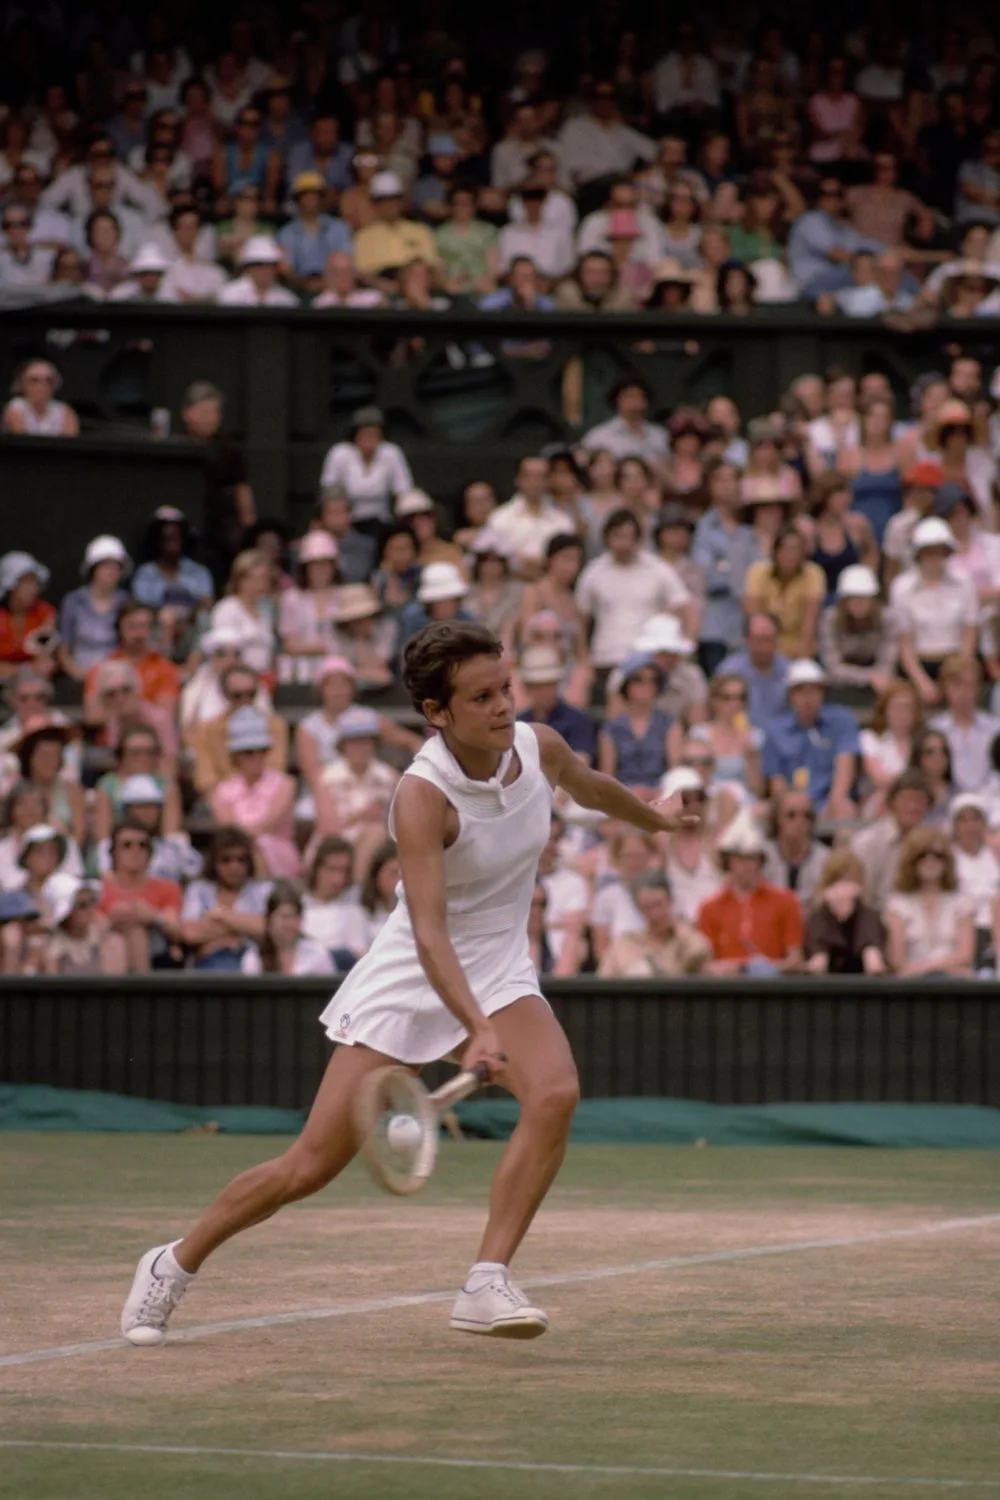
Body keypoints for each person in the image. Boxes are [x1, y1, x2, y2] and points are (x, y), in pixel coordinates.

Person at [121, 619, 698, 1346]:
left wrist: (652, 818)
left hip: (498, 967)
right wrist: (477, 1028)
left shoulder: (538, 746)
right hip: (414, 973)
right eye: (480, 697)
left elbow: (590, 786)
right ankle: (173, 1263)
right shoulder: (422, 796)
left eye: (505, 688)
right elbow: (429, 932)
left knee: (555, 1093)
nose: (503, 706)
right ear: (436, 711)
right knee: (307, 1168)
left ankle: (486, 1280)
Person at [576, 510, 692, 676]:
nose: (622, 542)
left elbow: (684, 606)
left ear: (638, 539)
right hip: (605, 658)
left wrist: (686, 645)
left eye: (627, 536)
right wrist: (584, 658)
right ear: (606, 538)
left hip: (647, 660)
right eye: (616, 535)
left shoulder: (657, 568)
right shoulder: (593, 572)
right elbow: (580, 618)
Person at [697, 810, 805, 976]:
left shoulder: (786, 901)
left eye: (752, 858)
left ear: (760, 861)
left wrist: (765, 969)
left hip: (772, 987)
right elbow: (705, 966)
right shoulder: (709, 907)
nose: (746, 866)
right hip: (726, 987)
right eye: (740, 858)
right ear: (728, 861)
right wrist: (740, 968)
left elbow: (796, 960)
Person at [892, 518, 978, 707]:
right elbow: (905, 642)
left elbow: (969, 632)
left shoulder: (965, 582)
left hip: (956, 661)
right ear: (918, 554)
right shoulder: (901, 588)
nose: (934, 558)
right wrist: (922, 682)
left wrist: (958, 676)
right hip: (919, 664)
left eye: (940, 551)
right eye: (928, 552)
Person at [180, 381, 256, 589]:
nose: (211, 419)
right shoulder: (176, 443)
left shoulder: (229, 449)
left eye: (215, 413)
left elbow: (241, 488)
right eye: (205, 412)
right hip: (185, 524)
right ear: (187, 413)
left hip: (219, 527)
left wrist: (248, 522)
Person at [762, 659, 859, 820]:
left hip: (829, 802)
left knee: (844, 808)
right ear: (790, 696)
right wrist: (794, 807)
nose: (807, 698)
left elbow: (845, 769)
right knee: (759, 812)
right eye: (800, 691)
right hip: (792, 803)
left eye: (813, 691)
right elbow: (777, 782)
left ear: (823, 694)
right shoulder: (776, 730)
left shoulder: (842, 720)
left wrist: (835, 801)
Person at [211, 709, 299, 880]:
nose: (256, 758)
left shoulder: (285, 784)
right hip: (238, 855)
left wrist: (250, 839)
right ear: (236, 756)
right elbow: (229, 830)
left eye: (261, 751)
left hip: (277, 854)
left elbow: (271, 822)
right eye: (248, 752)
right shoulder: (223, 791)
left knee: (261, 844)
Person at [691, 461, 761, 677]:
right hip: (715, 626)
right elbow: (707, 575)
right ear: (710, 485)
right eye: (721, 479)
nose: (728, 485)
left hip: (747, 626)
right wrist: (739, 586)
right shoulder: (703, 528)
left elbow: (759, 571)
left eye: (733, 479)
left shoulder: (749, 531)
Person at [314, 706, 400, 875]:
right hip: (333, 847)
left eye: (366, 741)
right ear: (343, 745)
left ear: (374, 744)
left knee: (376, 832)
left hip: (379, 850)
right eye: (354, 741)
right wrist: (361, 815)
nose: (361, 747)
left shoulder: (389, 777)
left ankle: (360, 886)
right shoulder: (326, 777)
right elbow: (327, 829)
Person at [97, 818, 184, 973]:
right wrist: (111, 919)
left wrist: (153, 916)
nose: (135, 851)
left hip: (157, 954)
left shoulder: (167, 888)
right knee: (122, 937)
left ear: (150, 853)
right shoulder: (98, 889)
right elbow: (87, 933)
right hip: (107, 953)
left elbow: (176, 930)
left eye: (142, 845)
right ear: (114, 852)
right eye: (127, 845)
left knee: (137, 932)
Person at [885, 828, 974, 978]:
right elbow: (898, 960)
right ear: (911, 862)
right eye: (922, 855)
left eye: (938, 856)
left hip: (954, 982)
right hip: (912, 983)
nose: (930, 861)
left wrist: (932, 967)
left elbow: (965, 955)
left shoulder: (962, 902)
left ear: (946, 862)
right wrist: (928, 970)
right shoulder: (898, 904)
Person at [180, 826, 271, 972]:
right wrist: (244, 928)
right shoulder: (199, 889)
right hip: (208, 963)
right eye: (226, 860)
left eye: (241, 860)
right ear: (214, 862)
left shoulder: (262, 890)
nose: (234, 866)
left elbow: (268, 928)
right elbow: (190, 933)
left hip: (252, 963)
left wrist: (220, 914)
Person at [318, 406, 414, 537]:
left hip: (382, 522)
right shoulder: (339, 453)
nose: (370, 438)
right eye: (365, 434)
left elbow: (404, 490)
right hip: (347, 524)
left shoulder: (392, 453)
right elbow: (329, 491)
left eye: (374, 434)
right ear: (355, 434)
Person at [598, 871, 710, 978]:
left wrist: (680, 929)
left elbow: (700, 952)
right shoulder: (625, 944)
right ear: (639, 909)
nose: (655, 914)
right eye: (647, 908)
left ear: (670, 902)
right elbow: (603, 980)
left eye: (658, 905)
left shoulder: (683, 939)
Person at [851, 768, 934, 911]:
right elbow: (860, 894)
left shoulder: (935, 843)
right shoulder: (866, 842)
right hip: (874, 916)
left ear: (928, 805)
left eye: (919, 800)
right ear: (892, 802)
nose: (912, 807)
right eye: (906, 800)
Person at [744, 526, 826, 661]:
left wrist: (800, 660)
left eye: (795, 550)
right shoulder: (757, 572)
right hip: (765, 649)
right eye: (785, 549)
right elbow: (755, 621)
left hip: (799, 650)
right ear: (775, 551)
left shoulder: (814, 574)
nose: (790, 555)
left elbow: (809, 627)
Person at [803, 849, 887, 976]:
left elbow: (875, 962)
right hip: (826, 976)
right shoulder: (819, 915)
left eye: (850, 880)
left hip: (864, 977)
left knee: (871, 951)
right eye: (838, 880)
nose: (843, 888)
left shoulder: (868, 915)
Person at [598, 654, 672, 792]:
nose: (647, 686)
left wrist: (655, 793)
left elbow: (675, 772)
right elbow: (608, 775)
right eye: (639, 679)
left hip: (661, 793)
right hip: (622, 794)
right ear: (626, 684)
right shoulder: (611, 729)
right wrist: (631, 793)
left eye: (653, 680)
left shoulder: (669, 724)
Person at [818, 565, 897, 693]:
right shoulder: (830, 620)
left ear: (873, 600)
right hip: (841, 684)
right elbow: (832, 667)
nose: (858, 603)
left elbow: (887, 664)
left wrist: (877, 676)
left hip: (879, 684)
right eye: (853, 598)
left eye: (864, 598)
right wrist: (868, 677)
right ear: (843, 601)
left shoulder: (888, 620)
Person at [352, 170, 440, 285]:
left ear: (401, 202)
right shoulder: (363, 236)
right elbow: (361, 274)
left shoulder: (421, 231)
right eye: (383, 201)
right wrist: (384, 286)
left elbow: (432, 267)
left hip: (416, 286)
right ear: (374, 205)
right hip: (377, 290)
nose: (389, 205)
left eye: (394, 199)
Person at [930, 657, 1000, 793]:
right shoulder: (934, 730)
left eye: (971, 685)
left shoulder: (995, 729)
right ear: (944, 688)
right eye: (957, 685)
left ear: (979, 688)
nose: (964, 692)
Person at [516, 646, 596, 764]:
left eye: (548, 684)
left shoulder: (577, 721)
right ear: (527, 688)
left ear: (557, 684)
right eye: (537, 686)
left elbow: (581, 763)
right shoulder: (519, 723)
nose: (544, 692)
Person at [301, 836, 372, 970]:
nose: (338, 879)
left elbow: (360, 957)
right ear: (316, 868)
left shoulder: (355, 913)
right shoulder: (298, 907)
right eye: (332, 869)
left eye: (344, 871)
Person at [277, 172, 352, 295]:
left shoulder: (339, 228)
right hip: (297, 291)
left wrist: (326, 283)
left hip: (334, 289)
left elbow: (345, 263)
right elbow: (286, 269)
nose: (310, 200)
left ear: (322, 199)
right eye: (305, 196)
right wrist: (304, 284)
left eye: (315, 195)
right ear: (297, 200)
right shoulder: (286, 232)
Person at [241, 882, 335, 977]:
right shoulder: (254, 958)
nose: (290, 923)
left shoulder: (317, 953)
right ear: (269, 919)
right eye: (284, 917)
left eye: (295, 916)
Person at [209, 549, 276, 677]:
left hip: (264, 680)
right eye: (252, 578)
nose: (258, 584)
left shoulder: (265, 611)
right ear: (239, 579)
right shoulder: (227, 608)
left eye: (263, 578)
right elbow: (224, 655)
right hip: (235, 680)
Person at [860, 680, 923, 815]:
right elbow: (879, 778)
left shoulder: (923, 741)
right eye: (897, 708)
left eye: (908, 708)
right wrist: (911, 779)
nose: (903, 714)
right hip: (881, 802)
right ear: (884, 710)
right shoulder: (870, 738)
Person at [950, 794, 1000, 964]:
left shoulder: (995, 855)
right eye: (963, 820)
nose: (970, 826)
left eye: (975, 819)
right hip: (961, 931)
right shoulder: (948, 857)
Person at [763, 789, 829, 909]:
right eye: (791, 815)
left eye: (807, 816)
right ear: (777, 819)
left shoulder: (825, 860)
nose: (800, 822)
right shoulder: (762, 857)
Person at [580, 377, 668, 466]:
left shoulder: (659, 435)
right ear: (616, 400)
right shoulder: (598, 436)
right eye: (628, 397)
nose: (634, 402)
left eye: (639, 397)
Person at [0, 552, 57, 681]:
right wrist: (24, 669)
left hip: (32, 683)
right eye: (25, 582)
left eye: (34, 581)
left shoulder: (45, 613)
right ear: (9, 586)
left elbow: (44, 662)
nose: (32, 588)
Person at [2, 358, 79, 437]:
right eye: (34, 381)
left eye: (48, 381)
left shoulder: (64, 411)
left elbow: (69, 440)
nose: (41, 386)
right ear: (22, 384)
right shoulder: (15, 408)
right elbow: (23, 440)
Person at [217, 235, 298, 307]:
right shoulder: (229, 295)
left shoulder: (287, 299)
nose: (264, 270)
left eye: (269, 265)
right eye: (258, 265)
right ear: (248, 267)